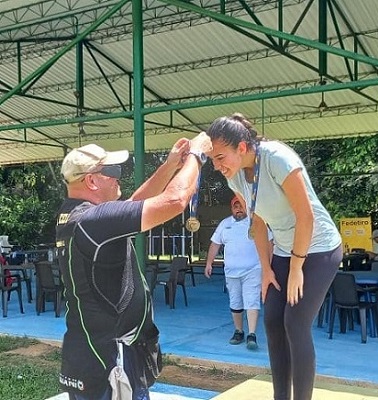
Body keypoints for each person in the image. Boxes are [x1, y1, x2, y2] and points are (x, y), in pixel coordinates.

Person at [55, 134, 212, 400]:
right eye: (112, 171)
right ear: (91, 180)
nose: (119, 177)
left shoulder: (78, 217)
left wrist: (171, 164)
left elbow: (134, 206)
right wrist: (197, 156)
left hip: (89, 354)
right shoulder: (94, 222)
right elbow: (175, 201)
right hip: (112, 363)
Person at [205, 113, 342, 400]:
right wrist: (266, 269)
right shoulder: (236, 178)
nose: (217, 166)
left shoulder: (277, 158)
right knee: (271, 321)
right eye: (213, 160)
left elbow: (306, 217)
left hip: (317, 248)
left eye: (220, 157)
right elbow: (257, 222)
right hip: (282, 250)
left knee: (295, 322)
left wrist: (296, 268)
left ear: (241, 147)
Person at [204, 195, 273, 350]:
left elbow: (269, 243)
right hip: (231, 271)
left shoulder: (257, 222)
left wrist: (268, 265)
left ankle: (252, 334)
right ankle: (239, 331)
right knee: (235, 301)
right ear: (232, 209)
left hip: (253, 269)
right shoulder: (224, 224)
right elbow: (215, 244)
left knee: (252, 299)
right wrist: (209, 263)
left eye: (241, 206)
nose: (238, 209)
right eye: (235, 207)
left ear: (246, 207)